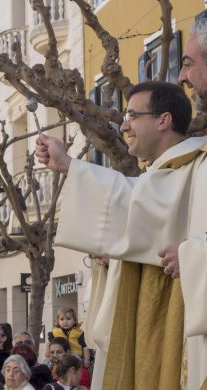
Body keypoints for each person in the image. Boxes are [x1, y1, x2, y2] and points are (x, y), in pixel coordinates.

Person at [36, 80, 206, 389]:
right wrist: (113, 257)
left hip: (174, 325)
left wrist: (70, 166)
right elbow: (143, 211)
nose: (124, 125)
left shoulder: (199, 167)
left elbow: (143, 205)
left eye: (132, 116)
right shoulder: (157, 175)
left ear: (163, 120)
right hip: (145, 322)